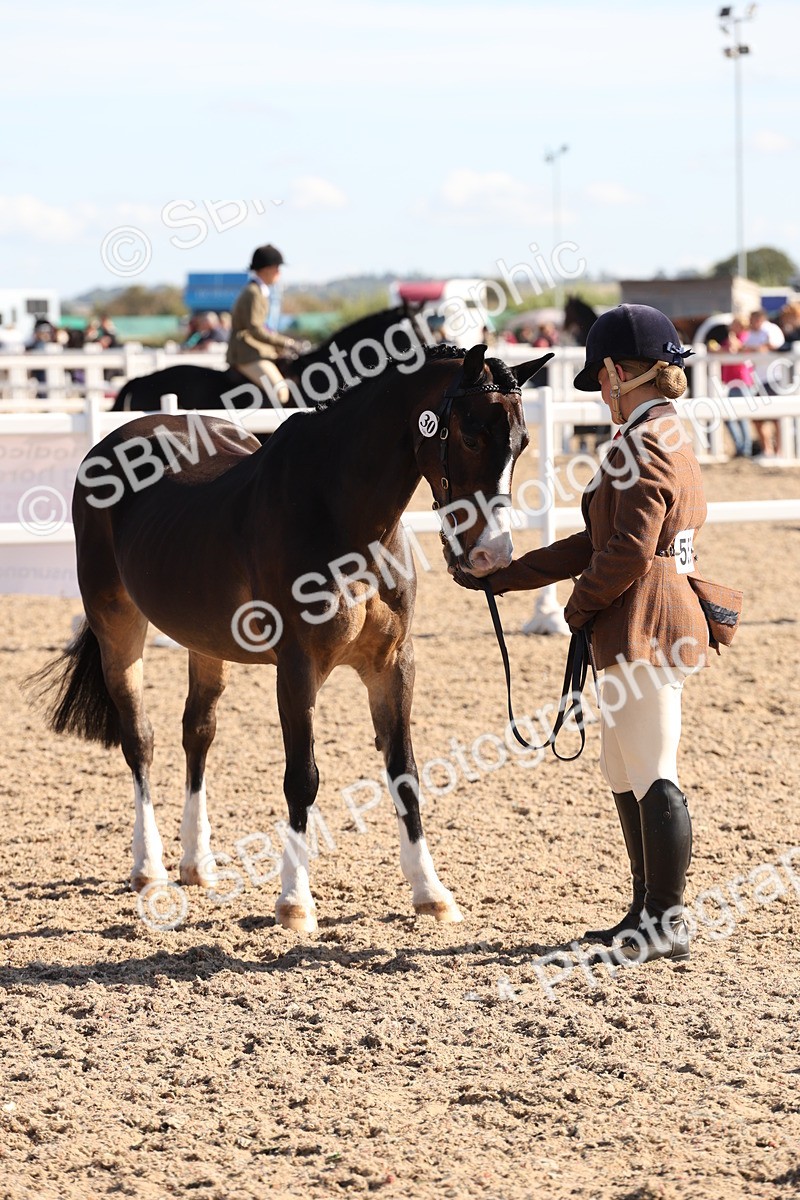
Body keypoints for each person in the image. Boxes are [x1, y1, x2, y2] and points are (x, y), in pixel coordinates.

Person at [454, 304, 742, 966]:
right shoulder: (658, 430)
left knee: (651, 764)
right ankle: (644, 911)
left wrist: (579, 607)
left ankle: (666, 919)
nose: (601, 393)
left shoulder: (645, 442)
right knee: (624, 763)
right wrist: (509, 576)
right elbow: (598, 540)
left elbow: (630, 551)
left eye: (602, 379)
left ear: (616, 372)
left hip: (644, 617)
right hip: (638, 613)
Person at [226, 244, 303, 404]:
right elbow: (255, 329)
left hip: (253, 349)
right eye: (277, 268)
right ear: (267, 269)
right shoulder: (253, 293)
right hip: (246, 353)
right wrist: (287, 342)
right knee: (281, 392)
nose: (279, 273)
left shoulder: (258, 291)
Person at [742, 309, 784, 458]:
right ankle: (768, 450)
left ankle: (779, 450)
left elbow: (774, 345)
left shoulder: (771, 329)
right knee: (758, 417)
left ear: (759, 319)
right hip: (759, 380)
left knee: (777, 417)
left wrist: (755, 349)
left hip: (774, 378)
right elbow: (746, 349)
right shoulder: (752, 333)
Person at [714, 317, 754, 458]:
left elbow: (734, 348)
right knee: (731, 415)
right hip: (732, 382)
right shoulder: (734, 337)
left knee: (740, 415)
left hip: (741, 381)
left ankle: (745, 449)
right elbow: (720, 350)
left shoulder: (745, 337)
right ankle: (742, 447)